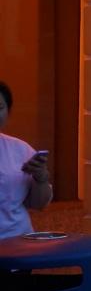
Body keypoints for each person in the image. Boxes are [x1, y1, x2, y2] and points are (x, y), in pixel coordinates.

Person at [0, 81, 52, 239]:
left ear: (8, 112)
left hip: (16, 239)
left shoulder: (20, 149)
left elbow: (39, 204)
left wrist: (41, 177)